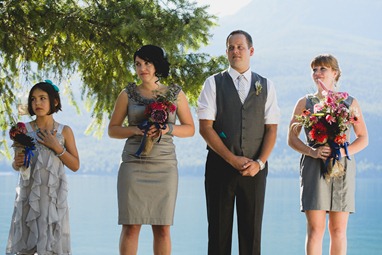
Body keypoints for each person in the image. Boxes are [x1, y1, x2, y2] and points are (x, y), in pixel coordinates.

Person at [197, 30, 280, 255]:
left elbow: (272, 129)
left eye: (240, 47)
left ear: (251, 51)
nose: (235, 51)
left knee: (252, 236)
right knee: (218, 235)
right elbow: (205, 128)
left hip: (255, 170)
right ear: (226, 52)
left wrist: (259, 163)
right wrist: (232, 159)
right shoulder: (213, 83)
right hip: (219, 168)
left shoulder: (267, 86)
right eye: (231, 48)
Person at [108, 44, 195, 255]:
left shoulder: (175, 93)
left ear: (157, 65)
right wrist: (136, 130)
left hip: (164, 166)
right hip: (132, 164)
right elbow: (113, 130)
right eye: (138, 64)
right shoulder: (127, 94)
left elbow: (190, 129)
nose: (142, 68)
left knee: (163, 228)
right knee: (130, 226)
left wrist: (168, 129)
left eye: (147, 63)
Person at [287, 54, 368, 255]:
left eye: (322, 68)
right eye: (314, 69)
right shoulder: (304, 102)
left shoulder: (349, 102)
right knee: (316, 229)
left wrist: (343, 150)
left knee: (338, 229)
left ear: (335, 73)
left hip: (342, 167)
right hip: (314, 166)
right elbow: (292, 138)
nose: (317, 73)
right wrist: (312, 151)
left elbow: (363, 138)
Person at [6, 80, 80, 255]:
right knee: (26, 243)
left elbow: (75, 165)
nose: (37, 103)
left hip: (53, 196)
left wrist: (57, 147)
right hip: (28, 195)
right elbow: (18, 164)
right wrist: (16, 163)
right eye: (33, 99)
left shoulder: (65, 131)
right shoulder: (23, 130)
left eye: (42, 98)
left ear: (54, 101)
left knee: (51, 244)